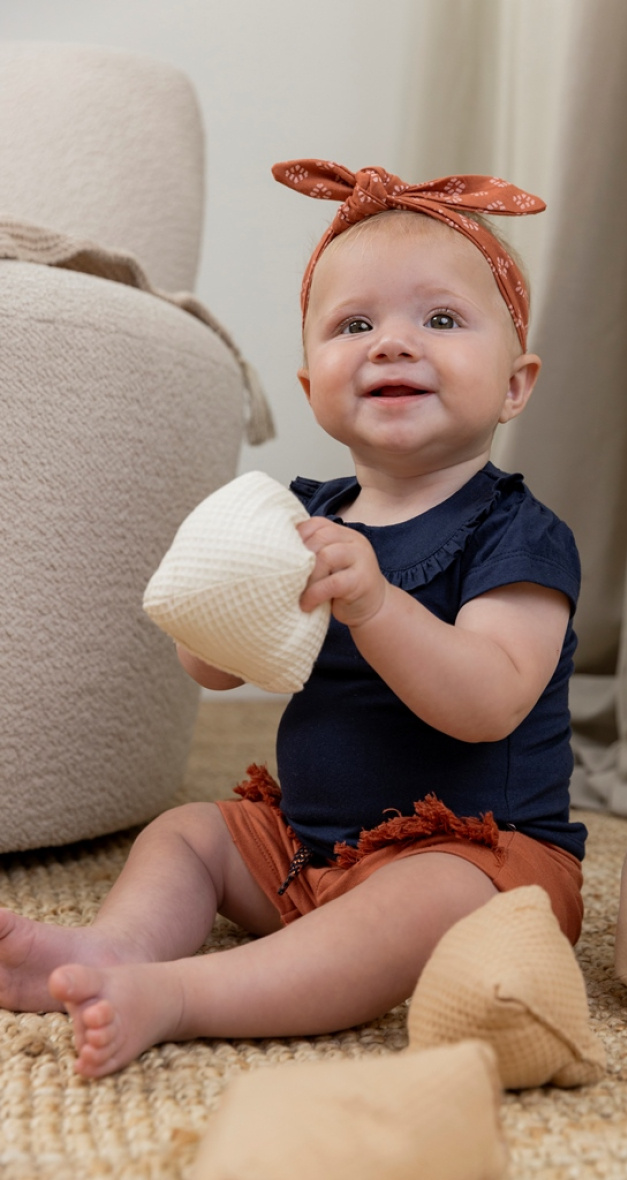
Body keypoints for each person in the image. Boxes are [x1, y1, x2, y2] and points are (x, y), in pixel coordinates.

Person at [0, 160, 588, 1078]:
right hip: (308, 853)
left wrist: (377, 604)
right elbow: (220, 670)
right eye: (356, 325)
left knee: (422, 897)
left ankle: (189, 998)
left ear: (515, 385)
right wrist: (208, 601)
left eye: (439, 320)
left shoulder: (517, 532)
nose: (392, 344)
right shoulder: (306, 511)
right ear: (314, 387)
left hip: (480, 862)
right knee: (188, 832)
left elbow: (489, 702)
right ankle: (115, 949)